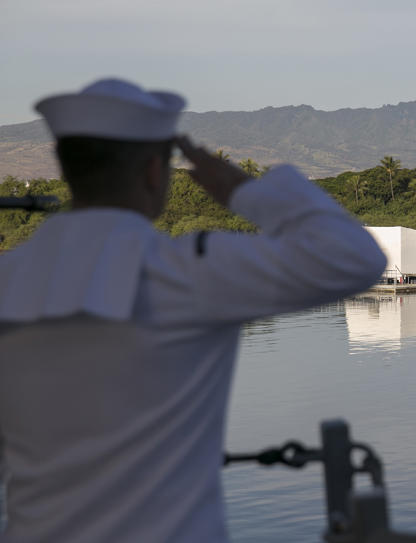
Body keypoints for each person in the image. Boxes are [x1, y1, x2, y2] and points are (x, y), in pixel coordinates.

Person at [0, 79, 386, 542]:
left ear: (65, 166)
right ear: (152, 173)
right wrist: (242, 190)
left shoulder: (9, 279)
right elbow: (354, 259)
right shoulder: (188, 272)